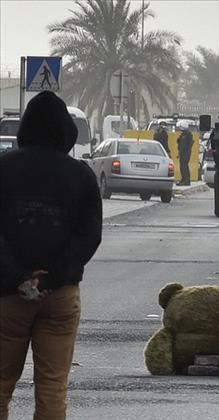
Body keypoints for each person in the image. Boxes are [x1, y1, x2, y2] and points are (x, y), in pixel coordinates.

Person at [0, 91, 102, 420]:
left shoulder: (3, 168)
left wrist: (19, 278)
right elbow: (89, 236)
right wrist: (52, 277)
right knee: (52, 388)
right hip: (60, 295)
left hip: (7, 296)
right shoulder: (81, 175)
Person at [176, 120, 194, 186]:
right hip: (186, 153)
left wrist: (179, 153)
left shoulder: (185, 135)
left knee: (184, 167)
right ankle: (184, 180)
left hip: (185, 153)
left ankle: (185, 181)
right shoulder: (186, 134)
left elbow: (183, 146)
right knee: (184, 166)